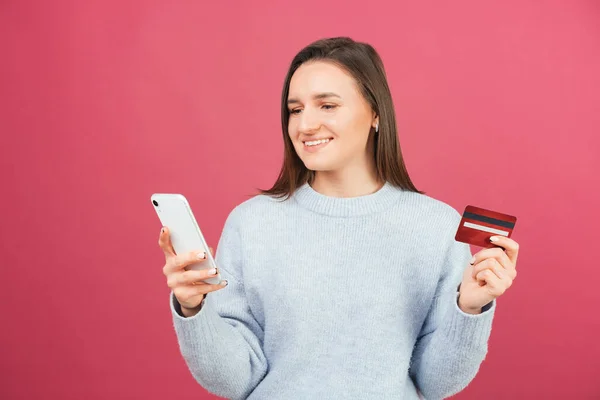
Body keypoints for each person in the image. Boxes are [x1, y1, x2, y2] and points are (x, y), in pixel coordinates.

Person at [158, 37, 519, 399]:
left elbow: (436, 383)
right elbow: (234, 380)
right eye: (295, 110)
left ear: (375, 113)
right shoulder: (251, 223)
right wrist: (194, 309)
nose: (305, 125)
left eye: (327, 105)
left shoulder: (435, 226)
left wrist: (469, 308)